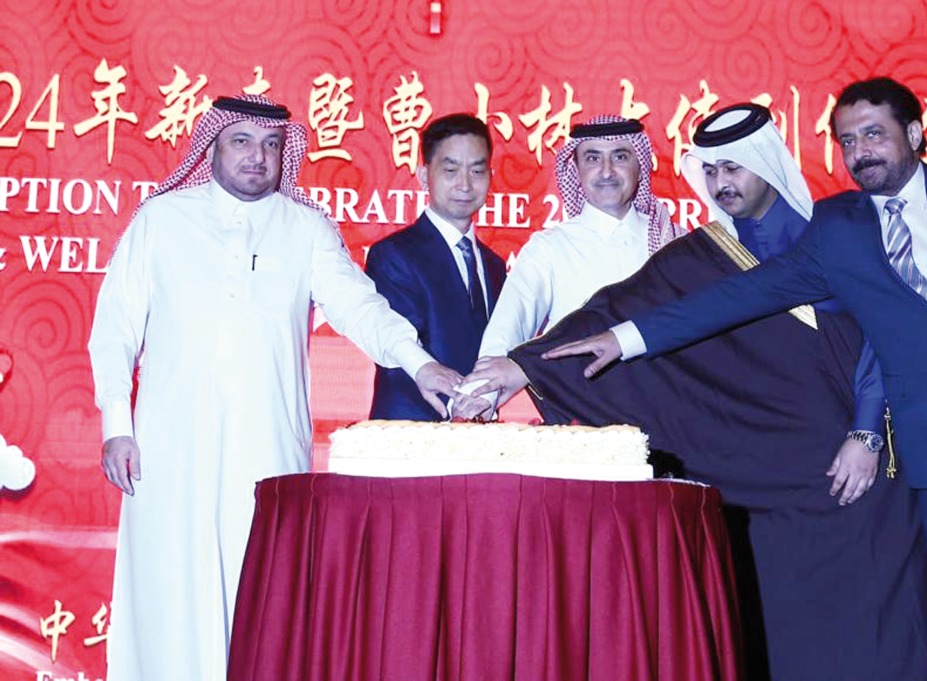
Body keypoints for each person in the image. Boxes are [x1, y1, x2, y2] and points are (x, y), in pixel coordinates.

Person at [547, 77, 927, 681]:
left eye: (874, 134)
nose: (861, 152)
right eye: (848, 141)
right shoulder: (837, 228)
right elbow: (741, 296)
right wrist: (624, 337)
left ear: (914, 134)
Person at [509, 103, 927, 679]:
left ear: (768, 164)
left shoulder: (844, 231)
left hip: (862, 468)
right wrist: (527, 366)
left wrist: (865, 430)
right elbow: (628, 312)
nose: (722, 184)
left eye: (735, 169)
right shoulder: (697, 257)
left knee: (878, 627)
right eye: (711, 172)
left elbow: (887, 339)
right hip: (768, 491)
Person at [88, 94, 459, 680]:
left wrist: (420, 365)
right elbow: (114, 331)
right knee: (169, 596)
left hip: (267, 453)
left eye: (270, 146)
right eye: (242, 142)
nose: (257, 158)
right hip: (169, 451)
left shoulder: (305, 227)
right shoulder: (160, 221)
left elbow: (362, 308)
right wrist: (117, 427)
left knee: (264, 596)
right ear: (211, 146)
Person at [455, 116, 685, 416]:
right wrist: (478, 399)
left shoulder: (676, 242)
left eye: (620, 156)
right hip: (577, 415)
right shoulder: (550, 247)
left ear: (640, 165)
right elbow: (508, 328)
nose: (606, 171)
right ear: (574, 169)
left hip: (664, 413)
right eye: (592, 158)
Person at [365, 113, 505, 420]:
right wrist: (463, 406)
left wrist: (484, 406)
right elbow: (401, 347)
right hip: (408, 436)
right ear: (424, 175)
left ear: (491, 176)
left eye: (477, 170)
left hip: (478, 437)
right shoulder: (392, 255)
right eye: (451, 169)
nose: (465, 184)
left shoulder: (495, 266)